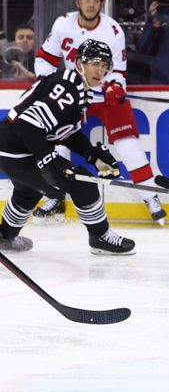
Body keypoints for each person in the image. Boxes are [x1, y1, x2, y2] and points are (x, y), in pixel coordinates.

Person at [33, 0, 167, 225]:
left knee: (128, 144)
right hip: (73, 94)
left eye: (96, 0)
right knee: (56, 139)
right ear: (78, 1)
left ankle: (150, 196)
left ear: (102, 3)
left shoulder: (113, 30)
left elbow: (118, 72)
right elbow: (44, 60)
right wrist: (51, 81)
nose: (91, 4)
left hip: (103, 95)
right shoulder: (63, 24)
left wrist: (115, 86)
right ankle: (56, 195)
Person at [0, 39, 135, 255]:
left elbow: (65, 132)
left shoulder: (77, 87)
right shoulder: (69, 87)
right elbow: (28, 124)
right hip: (17, 148)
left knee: (28, 190)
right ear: (80, 62)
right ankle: (100, 236)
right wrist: (47, 160)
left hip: (11, 147)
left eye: (104, 66)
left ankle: (5, 237)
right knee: (82, 183)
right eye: (95, 63)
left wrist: (92, 155)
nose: (99, 71)